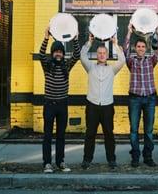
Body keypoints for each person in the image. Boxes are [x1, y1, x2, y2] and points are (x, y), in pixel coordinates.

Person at [80, 34, 125, 170]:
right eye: (99, 53)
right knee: (90, 134)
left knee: (109, 134)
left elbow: (122, 60)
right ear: (96, 54)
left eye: (104, 53)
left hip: (107, 106)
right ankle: (87, 159)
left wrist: (115, 44)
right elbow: (82, 55)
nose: (101, 55)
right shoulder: (90, 67)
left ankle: (111, 160)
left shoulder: (112, 69)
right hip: (92, 105)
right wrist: (89, 42)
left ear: (107, 55)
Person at [39, 27, 80, 173]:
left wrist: (75, 40)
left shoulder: (66, 66)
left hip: (63, 105)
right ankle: (47, 163)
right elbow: (41, 55)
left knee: (61, 136)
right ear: (53, 53)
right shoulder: (47, 66)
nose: (58, 53)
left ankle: (60, 161)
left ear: (63, 54)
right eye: (56, 51)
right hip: (49, 105)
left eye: (60, 52)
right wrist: (46, 38)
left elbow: (76, 55)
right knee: (48, 136)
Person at [124, 20, 158, 167]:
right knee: (134, 130)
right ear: (136, 48)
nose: (140, 49)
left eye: (143, 47)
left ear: (146, 48)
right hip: (134, 99)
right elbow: (124, 50)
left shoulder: (151, 60)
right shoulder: (131, 61)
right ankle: (135, 156)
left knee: (148, 130)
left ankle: (148, 157)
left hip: (150, 99)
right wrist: (129, 31)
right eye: (138, 46)